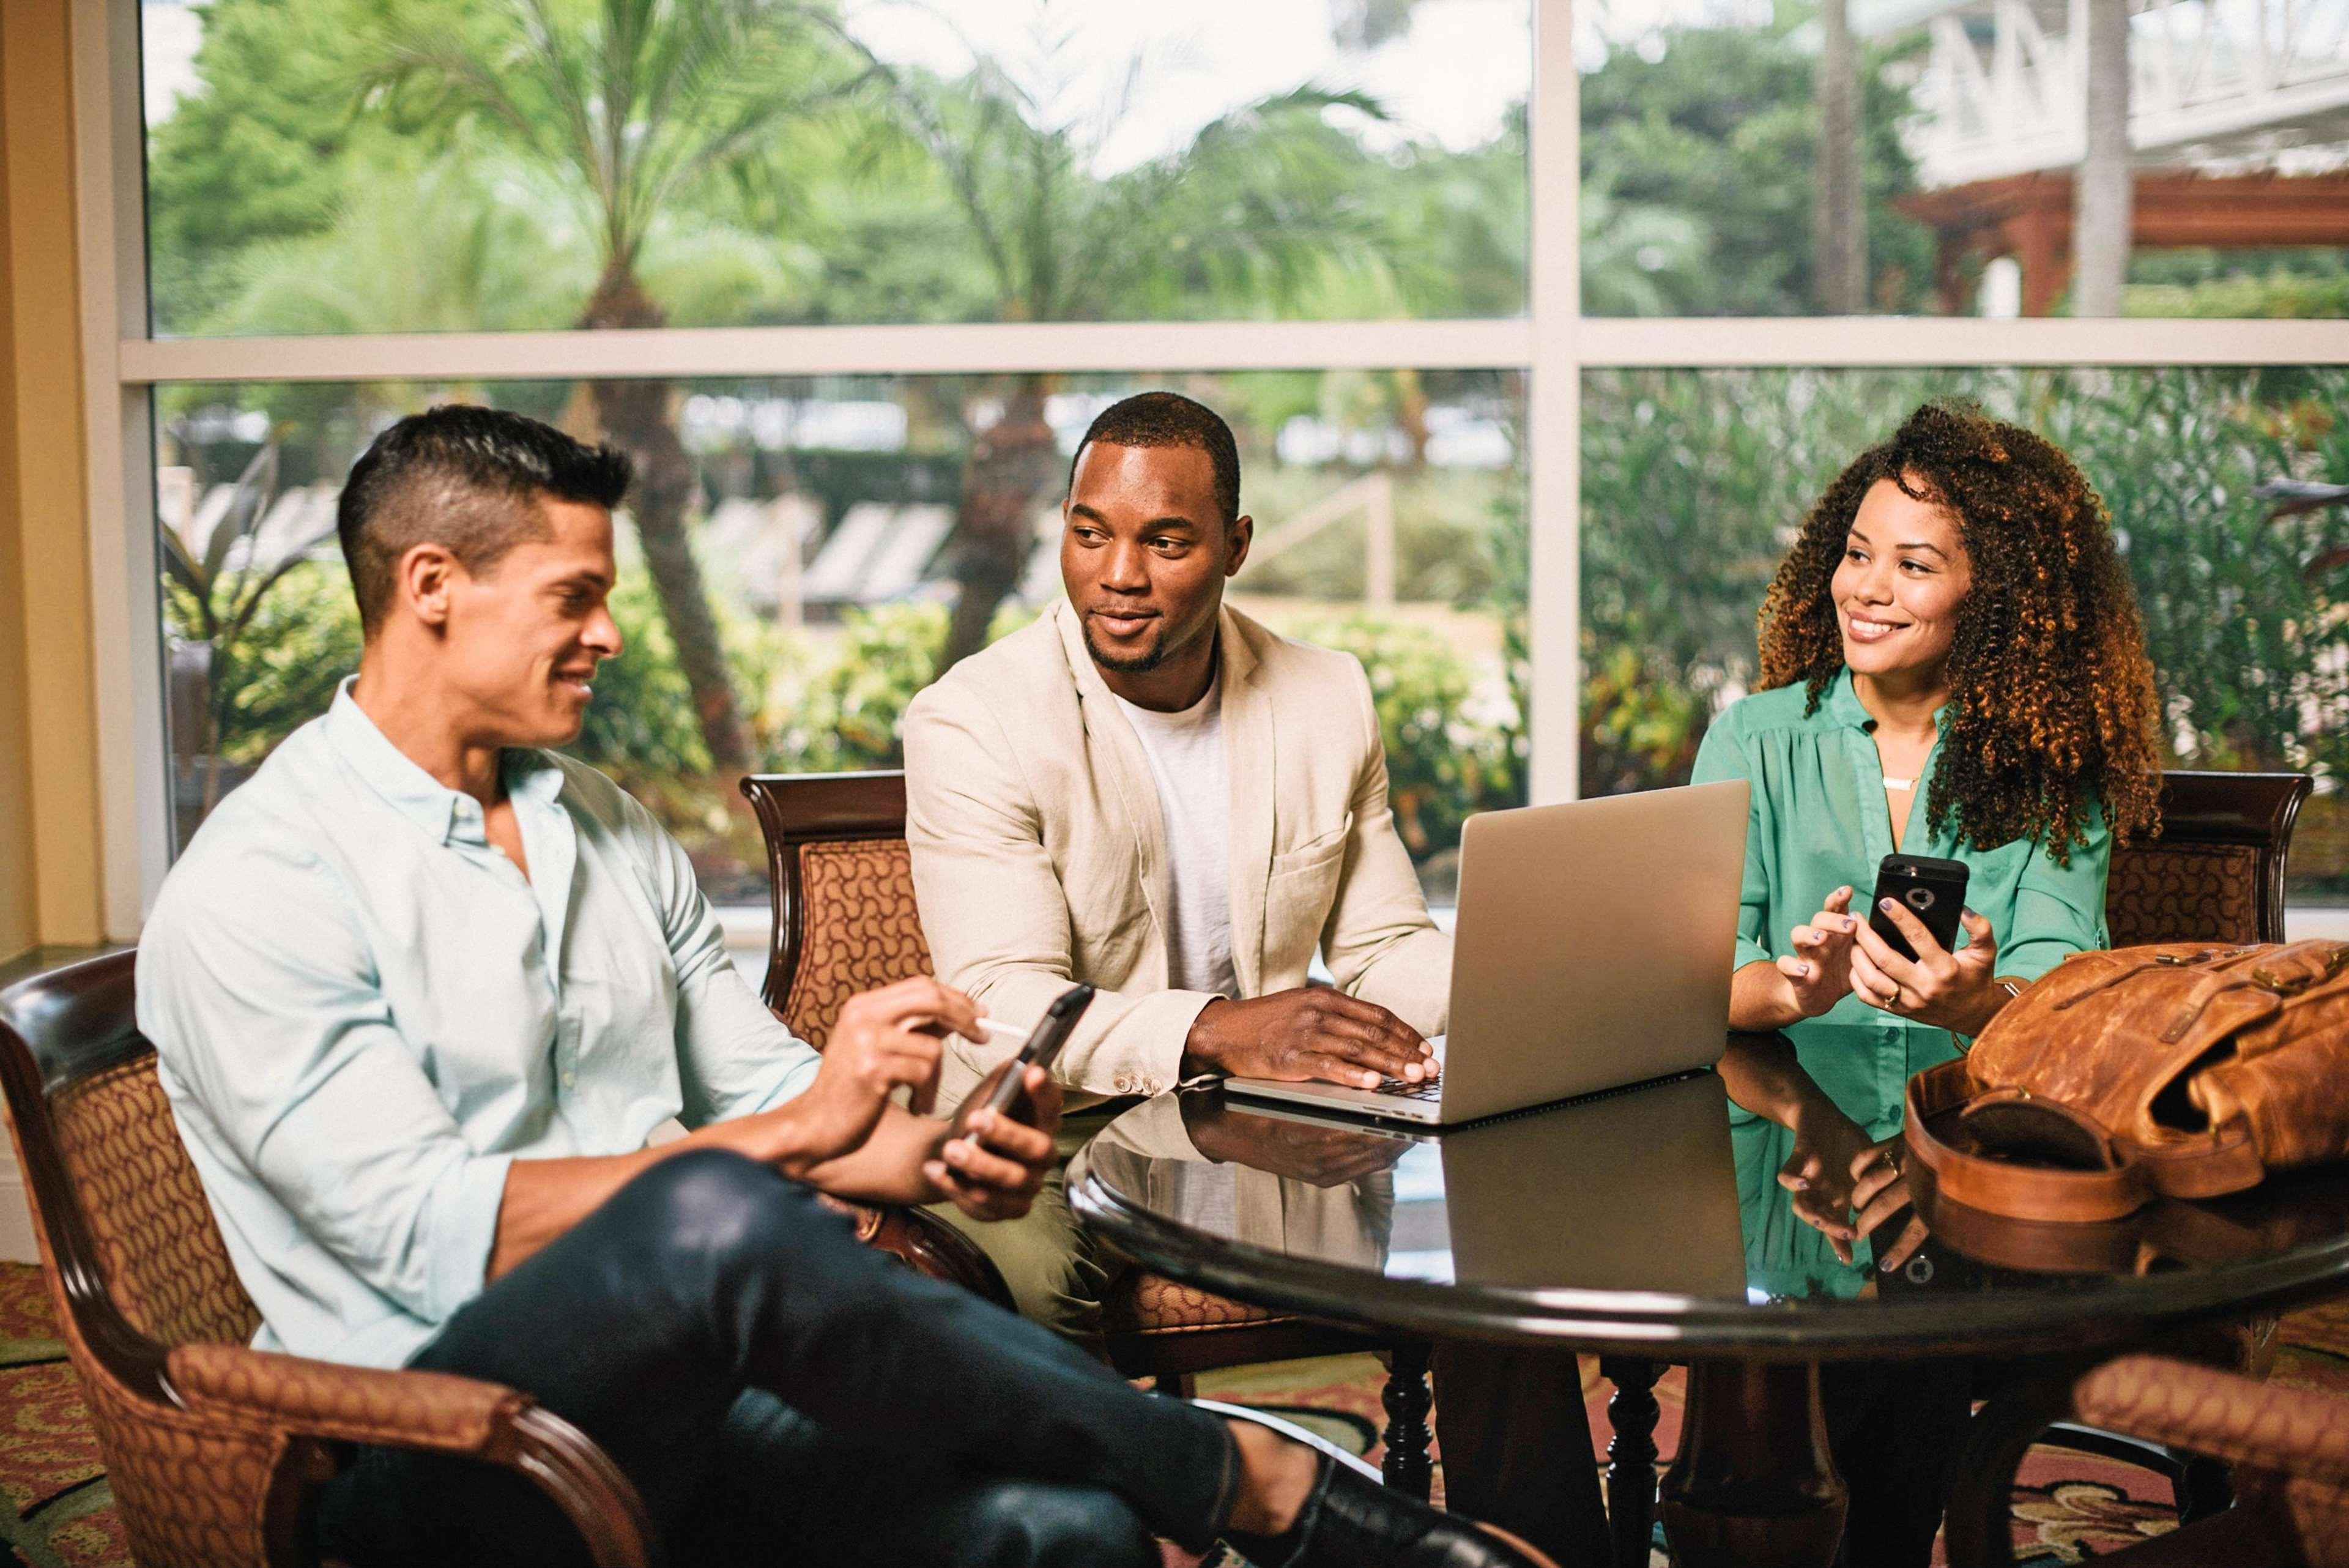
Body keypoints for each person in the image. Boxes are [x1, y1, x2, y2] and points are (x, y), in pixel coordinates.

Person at [135, 405, 1554, 1568]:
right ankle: (1252, 1476)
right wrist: (786, 1143)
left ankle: (1191, 1489)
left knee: (1070, 1535)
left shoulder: (608, 828)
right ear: (431, 586)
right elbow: (429, 1232)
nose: (612, 635)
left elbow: (767, 1088)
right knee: (711, 1205)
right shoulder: (265, 883)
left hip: (687, 1400)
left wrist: (925, 1142)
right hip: (433, 1449)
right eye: (576, 598)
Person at [904, 390, 1610, 1564]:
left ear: (1236, 545)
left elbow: (1385, 951)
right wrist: (1224, 1029)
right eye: (1090, 532)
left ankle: (1530, 1550)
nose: (1117, 575)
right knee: (1010, 1279)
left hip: (1263, 1124)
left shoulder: (1324, 695)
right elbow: (1005, 1002)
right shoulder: (974, 719)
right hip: (1051, 1128)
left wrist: (1539, 996)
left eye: (1164, 540)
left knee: (1504, 1226)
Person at [1693, 399, 2164, 1563]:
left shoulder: (2055, 767)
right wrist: (1790, 993)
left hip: (1979, 1150)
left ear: (1993, 600)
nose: (1867, 588)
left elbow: (2059, 998)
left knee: (1904, 1328)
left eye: (1914, 566)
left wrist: (1969, 1004)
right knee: (1814, 1342)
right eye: (1857, 555)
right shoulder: (1754, 736)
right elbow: (1700, 977)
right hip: (1775, 1129)